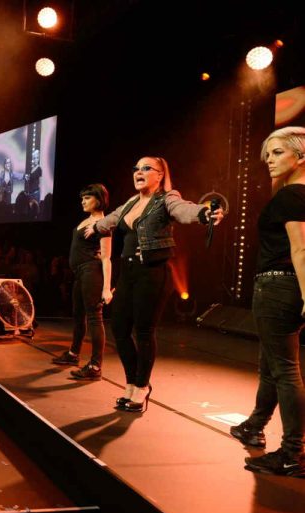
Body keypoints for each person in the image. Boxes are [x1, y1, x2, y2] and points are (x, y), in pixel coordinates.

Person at [86, 157, 223, 412]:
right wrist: (94, 226)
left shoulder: (167, 198)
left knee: (143, 331)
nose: (138, 172)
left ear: (160, 175)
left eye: (146, 168)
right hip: (128, 273)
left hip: (152, 272)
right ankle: (132, 382)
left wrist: (204, 213)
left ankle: (141, 387)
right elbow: (112, 218)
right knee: (119, 328)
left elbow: (184, 209)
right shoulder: (131, 203)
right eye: (136, 168)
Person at [231, 127, 305, 477]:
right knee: (272, 365)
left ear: (301, 156)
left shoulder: (291, 195)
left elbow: (301, 249)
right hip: (285, 287)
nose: (269, 160)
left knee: (285, 370)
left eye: (277, 153)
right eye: (268, 154)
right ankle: (254, 425)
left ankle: (292, 453)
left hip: (278, 287)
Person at [52, 184, 113, 380]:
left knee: (94, 317)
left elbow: (106, 258)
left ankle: (95, 366)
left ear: (99, 199)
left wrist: (106, 288)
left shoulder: (102, 224)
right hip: (80, 273)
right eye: (82, 198)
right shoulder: (87, 220)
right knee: (78, 316)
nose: (83, 201)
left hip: (91, 272)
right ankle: (73, 354)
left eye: (87, 198)